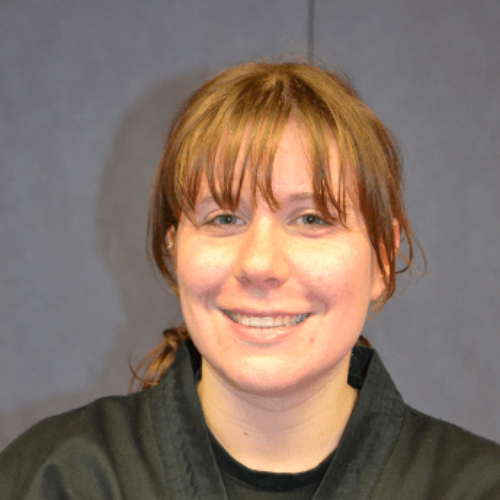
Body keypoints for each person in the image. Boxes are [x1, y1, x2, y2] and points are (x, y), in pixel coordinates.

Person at [1, 60, 499, 499]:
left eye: (312, 219)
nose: (260, 264)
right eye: (224, 218)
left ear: (383, 260)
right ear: (175, 251)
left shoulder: (476, 488)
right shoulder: (58, 479)